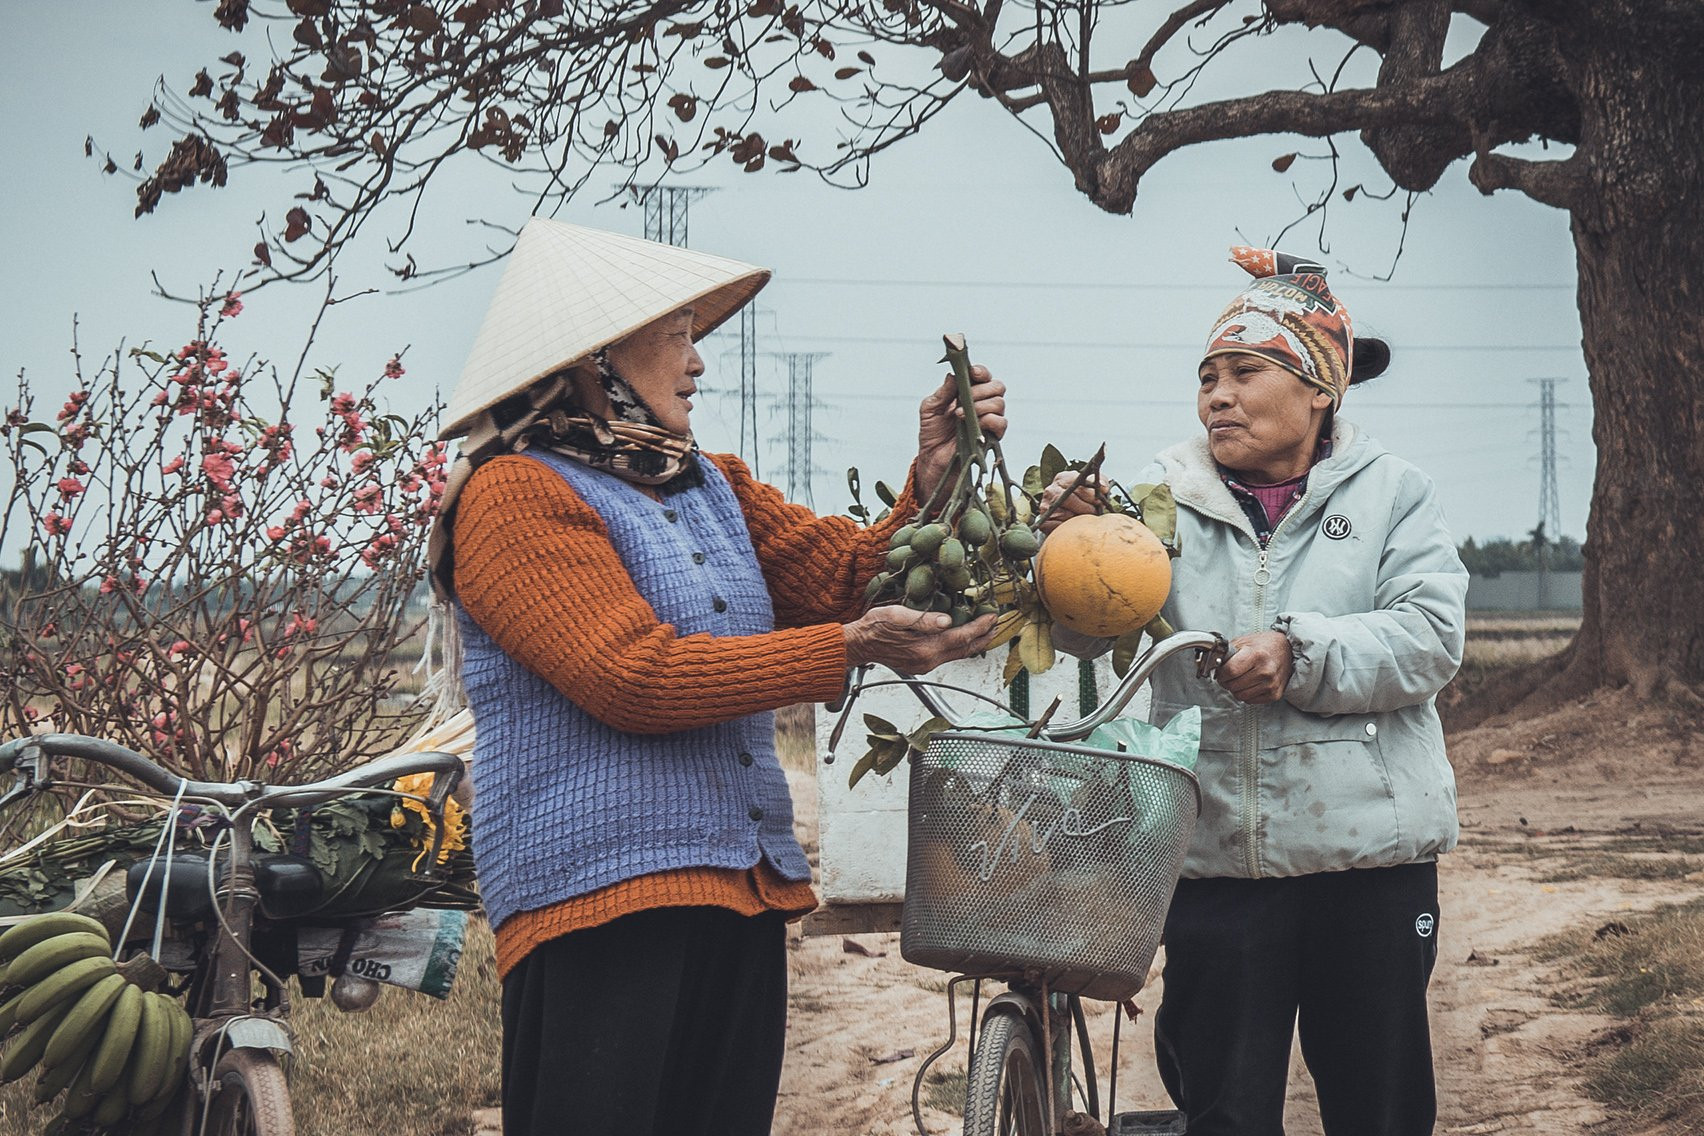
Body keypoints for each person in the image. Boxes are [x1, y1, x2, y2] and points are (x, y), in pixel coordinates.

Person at [427, 220, 1004, 1136]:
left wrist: (932, 478)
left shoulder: (708, 483)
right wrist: (847, 649)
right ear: (593, 359)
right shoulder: (511, 495)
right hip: (595, 908)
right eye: (677, 334)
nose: (698, 361)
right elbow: (631, 676)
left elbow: (847, 578)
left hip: (737, 894)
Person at [1041, 246, 1468, 1136]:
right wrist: (1073, 553)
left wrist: (1299, 651)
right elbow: (1089, 634)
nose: (1217, 396)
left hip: (1370, 864)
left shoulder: (1394, 494)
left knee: (1379, 1107)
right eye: (1207, 377)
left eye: (1245, 372)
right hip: (1216, 860)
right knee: (1223, 1110)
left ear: (1321, 391)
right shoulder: (1153, 499)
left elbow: (1429, 638)